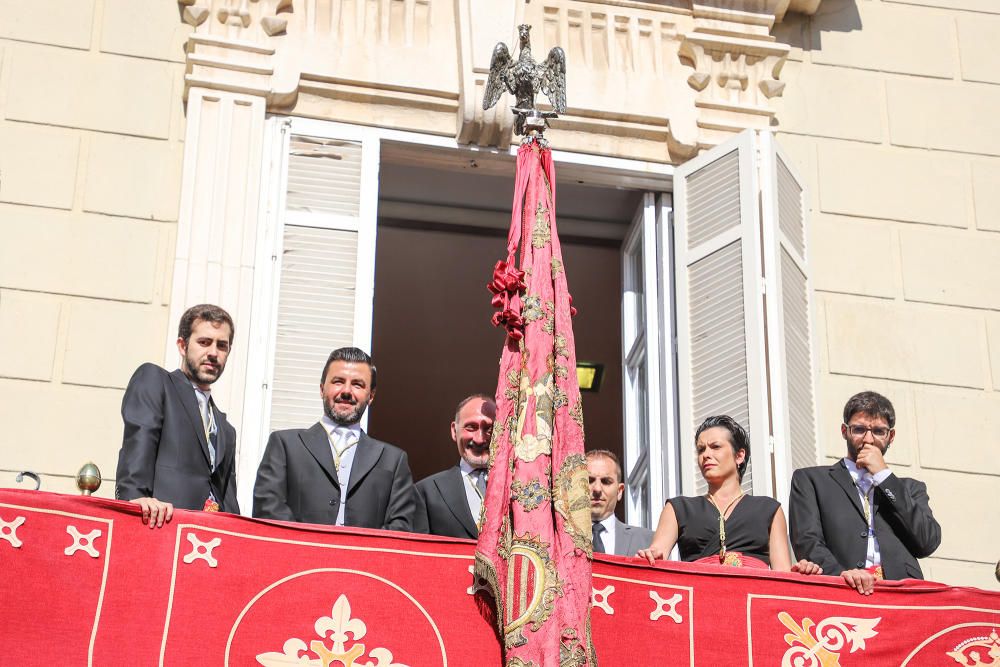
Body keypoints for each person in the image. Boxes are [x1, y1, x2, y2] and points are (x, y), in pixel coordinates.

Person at [789, 391, 941, 595]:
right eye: (859, 429)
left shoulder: (910, 488)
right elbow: (807, 542)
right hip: (841, 589)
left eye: (879, 431)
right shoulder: (811, 480)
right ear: (845, 431)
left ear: (891, 436)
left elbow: (927, 541)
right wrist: (843, 576)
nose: (868, 439)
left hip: (902, 593)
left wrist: (884, 476)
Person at [253, 347, 416, 530]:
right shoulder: (284, 445)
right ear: (322, 388)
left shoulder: (393, 460)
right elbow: (268, 509)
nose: (346, 391)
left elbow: (401, 526)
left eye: (357, 384)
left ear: (371, 396)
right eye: (338, 382)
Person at [639, 415, 819, 574]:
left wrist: (802, 572)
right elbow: (656, 553)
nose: (706, 455)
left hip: (753, 605)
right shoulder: (678, 508)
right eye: (701, 449)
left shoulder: (769, 509)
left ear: (739, 456)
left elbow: (783, 575)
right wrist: (650, 554)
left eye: (715, 447)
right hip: (700, 602)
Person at [115, 304, 240, 528]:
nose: (213, 352)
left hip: (209, 543)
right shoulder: (157, 382)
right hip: (159, 526)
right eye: (204, 342)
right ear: (182, 345)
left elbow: (229, 500)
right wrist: (133, 501)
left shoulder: (226, 429)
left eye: (222, 346)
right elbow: (139, 443)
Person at [415, 394, 496, 538]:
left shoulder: (517, 487)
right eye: (471, 427)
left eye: (489, 429)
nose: (480, 439)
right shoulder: (426, 491)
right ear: (454, 431)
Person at [587, 449, 654, 556]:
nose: (597, 489)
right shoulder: (558, 540)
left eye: (606, 481)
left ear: (619, 491)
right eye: (589, 480)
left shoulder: (648, 541)